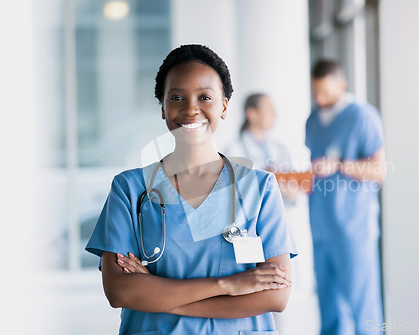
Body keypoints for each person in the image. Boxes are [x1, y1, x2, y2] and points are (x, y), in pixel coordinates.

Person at [85, 44, 297, 335]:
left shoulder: (260, 188)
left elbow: (276, 296)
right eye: (176, 97)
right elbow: (120, 291)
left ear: (224, 106)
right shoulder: (130, 189)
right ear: (162, 107)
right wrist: (228, 286)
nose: (190, 109)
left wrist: (160, 297)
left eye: (205, 97)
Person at [306, 60, 386, 335]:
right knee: (330, 314)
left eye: (326, 93)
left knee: (364, 313)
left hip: (353, 230)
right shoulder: (313, 120)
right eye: (315, 92)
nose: (319, 99)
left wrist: (339, 166)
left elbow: (379, 170)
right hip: (320, 227)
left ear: (342, 85)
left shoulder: (363, 117)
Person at [225, 93, 297, 203]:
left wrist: (290, 190)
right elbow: (231, 194)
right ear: (252, 114)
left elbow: (293, 193)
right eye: (269, 109)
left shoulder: (280, 150)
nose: (275, 114)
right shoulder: (234, 151)